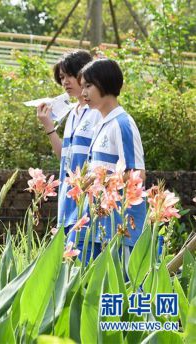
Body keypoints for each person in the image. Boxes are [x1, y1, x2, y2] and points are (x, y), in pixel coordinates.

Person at [80, 58, 146, 259]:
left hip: (120, 228)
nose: (83, 94)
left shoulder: (122, 124)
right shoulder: (101, 123)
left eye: (88, 86)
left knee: (122, 285)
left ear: (104, 83)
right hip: (99, 225)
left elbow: (137, 175)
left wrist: (99, 181)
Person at [36, 50, 101, 235]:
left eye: (70, 75)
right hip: (68, 202)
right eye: (62, 77)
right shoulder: (73, 112)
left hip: (88, 203)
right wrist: (48, 126)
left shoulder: (97, 112)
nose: (65, 82)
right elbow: (64, 159)